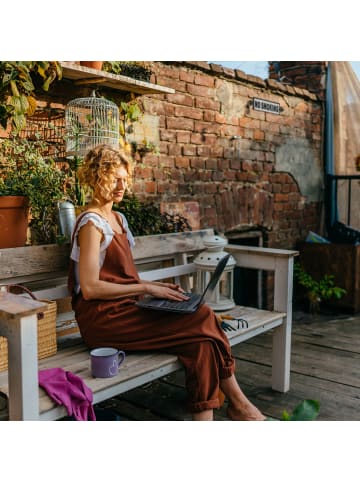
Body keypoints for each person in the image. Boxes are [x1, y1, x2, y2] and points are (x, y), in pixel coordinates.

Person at [68, 144, 265, 421]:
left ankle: (206, 420)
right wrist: (147, 287)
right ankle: (240, 404)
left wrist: (158, 290)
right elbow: (90, 289)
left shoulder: (117, 219)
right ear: (96, 177)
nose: (122, 186)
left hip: (127, 310)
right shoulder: (91, 224)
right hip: (104, 320)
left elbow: (121, 277)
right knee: (204, 315)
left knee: (202, 344)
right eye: (115, 179)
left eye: (125, 179)